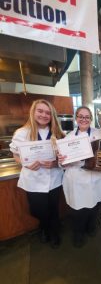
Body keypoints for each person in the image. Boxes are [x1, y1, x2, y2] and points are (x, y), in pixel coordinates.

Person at [58, 106, 101, 247]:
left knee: (95, 207)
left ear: (91, 119)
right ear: (76, 118)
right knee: (78, 211)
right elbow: (63, 164)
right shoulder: (68, 138)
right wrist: (62, 161)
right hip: (77, 180)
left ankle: (91, 227)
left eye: (87, 117)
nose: (83, 119)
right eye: (80, 116)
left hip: (97, 179)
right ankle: (78, 233)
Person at [10, 99, 65, 248]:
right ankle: (43, 227)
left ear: (52, 115)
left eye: (48, 113)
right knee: (38, 210)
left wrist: (56, 163)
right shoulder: (22, 133)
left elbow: (64, 157)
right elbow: (15, 155)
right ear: (33, 112)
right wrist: (25, 163)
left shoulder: (58, 133)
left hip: (54, 178)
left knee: (53, 208)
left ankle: (53, 232)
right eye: (40, 111)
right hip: (33, 180)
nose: (44, 115)